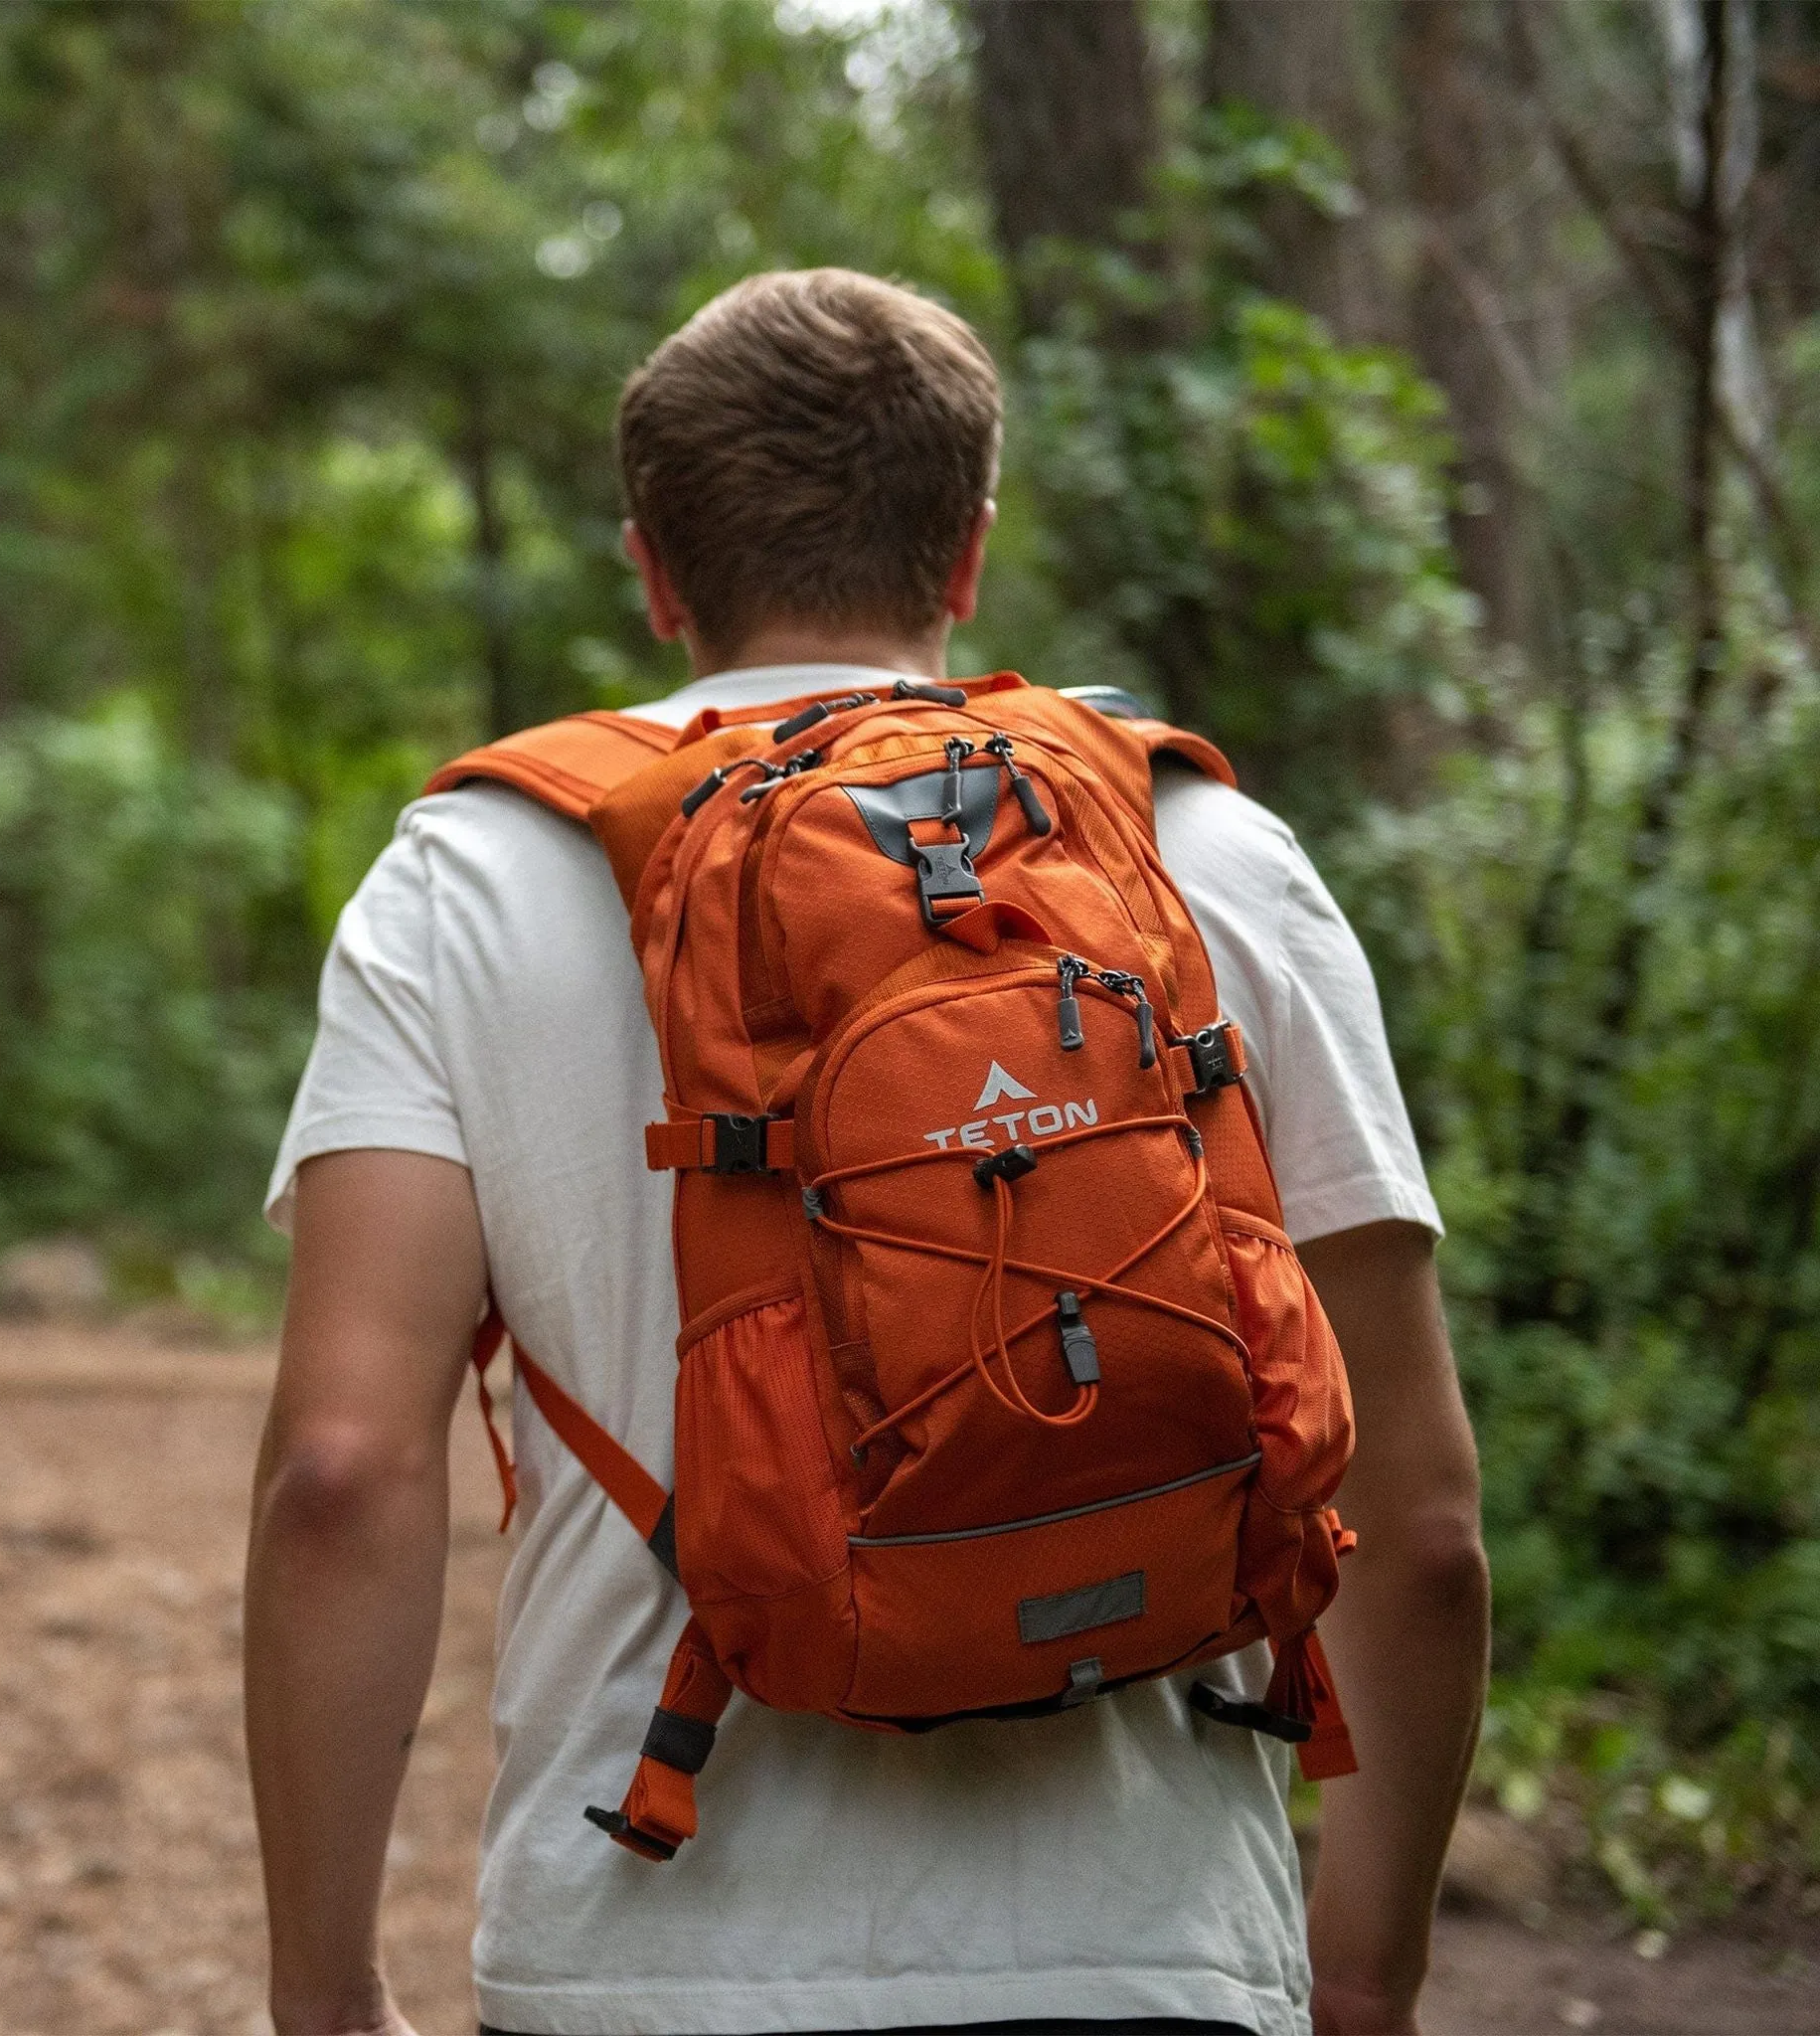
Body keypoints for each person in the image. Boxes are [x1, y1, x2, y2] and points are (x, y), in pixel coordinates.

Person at [245, 268, 1490, 2036]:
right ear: (967, 553)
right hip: (1153, 1951)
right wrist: (1364, 1970)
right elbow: (1421, 1527)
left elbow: (345, 1471)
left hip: (642, 1947)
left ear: (657, 569)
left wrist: (325, 1993)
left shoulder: (465, 878)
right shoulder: (1199, 846)